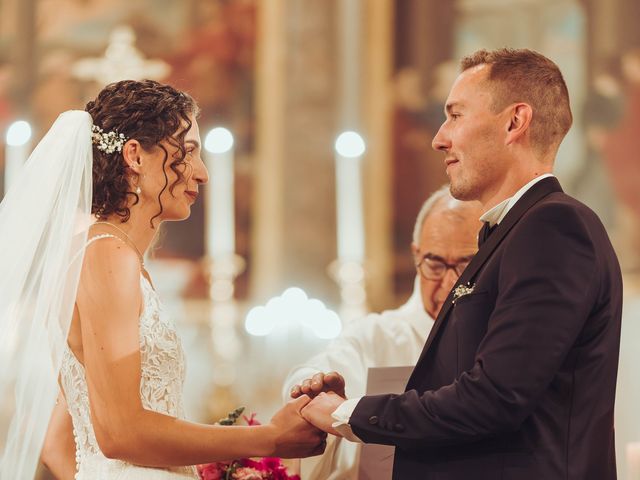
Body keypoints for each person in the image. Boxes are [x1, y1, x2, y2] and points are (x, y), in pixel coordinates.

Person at [293, 48, 623, 480]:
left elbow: (495, 397)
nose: (439, 137)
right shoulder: (511, 233)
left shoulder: (554, 225)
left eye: (456, 115)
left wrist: (347, 414)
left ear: (514, 122)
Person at [0, 80, 326, 479]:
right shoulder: (107, 255)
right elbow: (120, 433)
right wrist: (269, 439)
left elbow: (57, 443)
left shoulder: (100, 253)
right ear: (135, 155)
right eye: (188, 152)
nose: (202, 174)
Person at [283, 186, 481, 478]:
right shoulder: (376, 336)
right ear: (416, 255)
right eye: (435, 264)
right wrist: (315, 387)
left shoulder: (505, 338)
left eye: (467, 265)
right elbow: (310, 377)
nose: (451, 283)